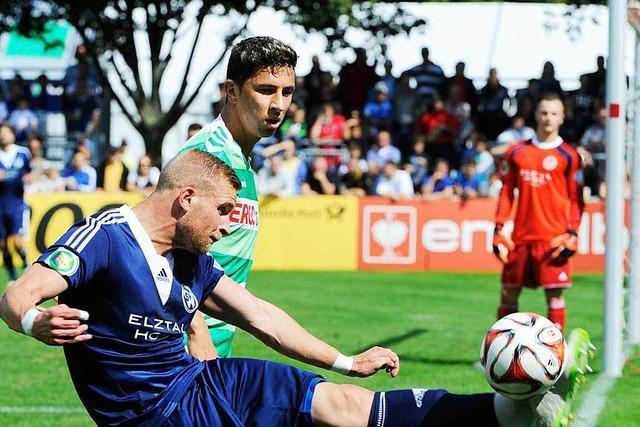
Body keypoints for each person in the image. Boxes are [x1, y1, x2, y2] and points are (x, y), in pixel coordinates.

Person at [0, 149, 590, 427]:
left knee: (345, 406)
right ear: (185, 199)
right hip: (151, 415)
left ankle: (511, 413)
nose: (231, 222)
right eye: (224, 210)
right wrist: (36, 323)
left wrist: (346, 359)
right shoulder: (106, 235)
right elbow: (15, 296)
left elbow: (260, 316)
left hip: (200, 389)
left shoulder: (189, 259)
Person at [177, 36, 297, 358]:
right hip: (184, 352)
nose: (279, 105)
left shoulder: (240, 157)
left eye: (287, 92)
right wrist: (197, 331)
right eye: (266, 90)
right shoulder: (207, 154)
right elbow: (162, 254)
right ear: (231, 91)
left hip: (215, 347)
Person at [493, 94, 585, 333]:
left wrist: (573, 232)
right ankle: (500, 353)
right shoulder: (516, 152)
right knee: (508, 292)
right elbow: (506, 192)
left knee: (554, 295)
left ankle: (557, 357)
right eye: (544, 112)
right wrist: (499, 228)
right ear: (536, 115)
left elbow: (577, 200)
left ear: (562, 118)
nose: (548, 118)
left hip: (553, 237)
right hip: (520, 238)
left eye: (554, 113)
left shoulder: (569, 156)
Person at [0, 123, 31, 281]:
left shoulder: (23, 153)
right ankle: (12, 277)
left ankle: (26, 267)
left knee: (18, 241)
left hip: (16, 202)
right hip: (1, 204)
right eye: (1, 133)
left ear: (12, 135)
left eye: (6, 132)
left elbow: (29, 173)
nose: (3, 136)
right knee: (3, 244)